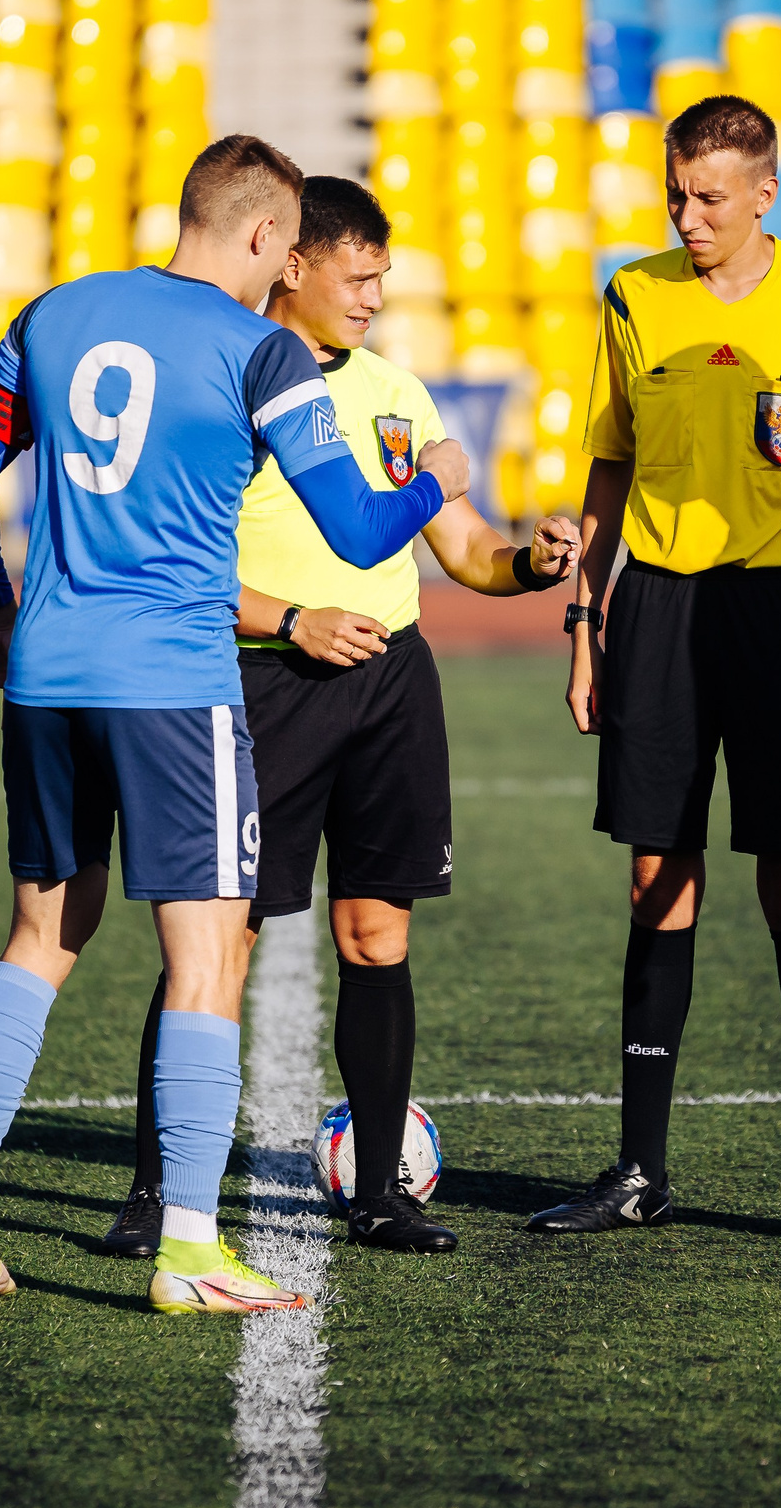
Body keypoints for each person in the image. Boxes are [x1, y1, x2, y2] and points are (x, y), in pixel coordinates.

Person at [0, 137, 472, 1313]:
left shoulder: (51, 313)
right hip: (174, 681)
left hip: (50, 672)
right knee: (209, 959)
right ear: (268, 236)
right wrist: (438, 480)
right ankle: (187, 1249)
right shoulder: (263, 349)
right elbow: (361, 533)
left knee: (38, 938)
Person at [95, 177, 579, 1261]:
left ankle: (379, 1194)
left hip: (391, 687)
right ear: (293, 265)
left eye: (381, 278)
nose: (373, 297)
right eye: (356, 277)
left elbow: (463, 545)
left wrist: (531, 562)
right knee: (216, 943)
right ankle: (153, 1192)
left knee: (377, 936)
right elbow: (174, 561)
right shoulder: (224, 382)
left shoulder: (397, 390)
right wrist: (293, 619)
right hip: (261, 683)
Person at [532, 94, 781, 1238]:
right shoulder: (631, 297)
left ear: (764, 194)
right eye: (675, 194)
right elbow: (607, 467)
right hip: (653, 607)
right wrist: (584, 620)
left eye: (708, 197)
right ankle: (638, 1171)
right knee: (656, 876)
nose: (686, 216)